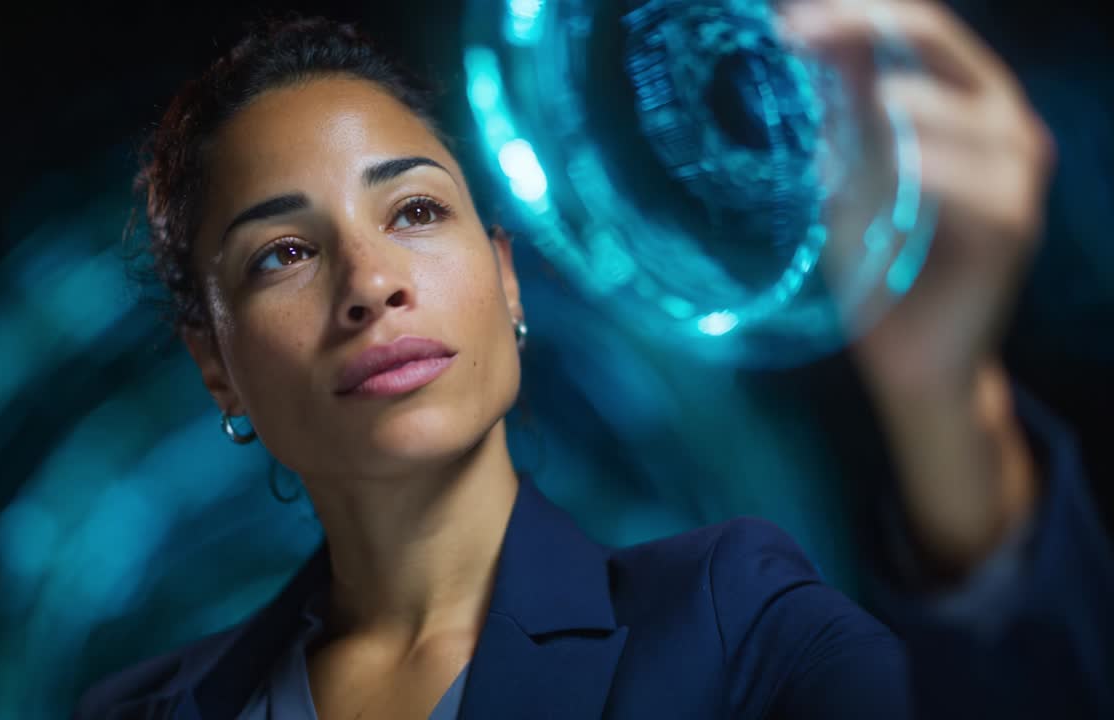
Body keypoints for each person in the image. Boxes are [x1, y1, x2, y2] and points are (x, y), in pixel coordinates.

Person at [73, 3, 1112, 718]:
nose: (371, 282)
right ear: (215, 364)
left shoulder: (730, 624)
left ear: (507, 282)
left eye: (417, 210)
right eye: (283, 254)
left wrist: (943, 404)